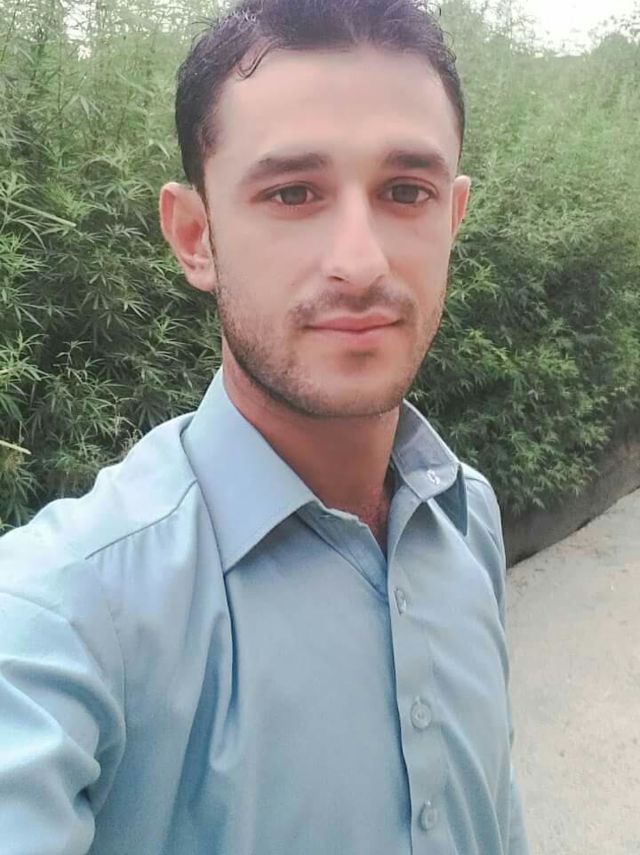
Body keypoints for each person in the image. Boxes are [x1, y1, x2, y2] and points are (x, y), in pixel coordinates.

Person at [0, 0, 530, 852]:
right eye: (292, 193)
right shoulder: (64, 614)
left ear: (453, 217)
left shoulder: (467, 518)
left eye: (406, 192)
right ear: (195, 236)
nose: (360, 262)